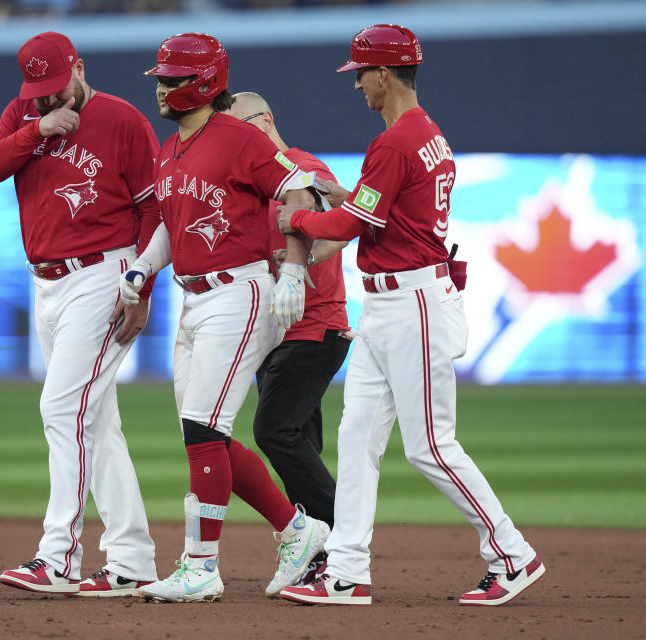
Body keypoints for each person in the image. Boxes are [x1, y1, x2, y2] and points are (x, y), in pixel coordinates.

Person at [277, 24, 545, 606]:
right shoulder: (423, 135)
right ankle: (346, 569)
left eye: (360, 75)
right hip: (391, 301)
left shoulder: (397, 142)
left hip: (413, 304)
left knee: (430, 445)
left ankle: (512, 555)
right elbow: (390, 214)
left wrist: (294, 222)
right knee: (356, 437)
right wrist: (347, 192)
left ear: (383, 74)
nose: (357, 86)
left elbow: (350, 227)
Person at [120, 33, 330, 603]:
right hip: (193, 298)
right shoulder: (171, 148)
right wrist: (143, 269)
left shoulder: (239, 136)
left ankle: (201, 564)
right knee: (206, 432)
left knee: (202, 431)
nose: (161, 88)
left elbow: (302, 191)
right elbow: (171, 220)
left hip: (239, 291)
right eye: (161, 78)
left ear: (205, 82)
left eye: (172, 79)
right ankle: (296, 529)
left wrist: (291, 269)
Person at [0, 31, 160, 597]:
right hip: (47, 284)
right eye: (39, 92)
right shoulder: (24, 112)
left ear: (79, 67)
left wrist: (142, 285)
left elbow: (154, 209)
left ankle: (58, 557)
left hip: (104, 274)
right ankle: (132, 559)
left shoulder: (123, 119)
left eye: (57, 88)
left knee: (61, 409)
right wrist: (36, 129)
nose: (50, 99)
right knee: (95, 423)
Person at [224, 91, 351, 585]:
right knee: (299, 445)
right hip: (278, 331)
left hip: (315, 324)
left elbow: (342, 228)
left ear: (267, 119)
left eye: (241, 127)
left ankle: (344, 540)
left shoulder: (300, 166)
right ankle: (320, 555)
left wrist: (305, 260)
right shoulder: (253, 178)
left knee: (274, 432)